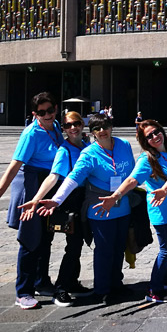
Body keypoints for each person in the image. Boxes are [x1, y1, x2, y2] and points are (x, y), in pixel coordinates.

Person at [30, 114, 137, 305]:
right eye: (97, 128)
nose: (102, 131)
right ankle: (102, 289)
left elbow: (134, 173)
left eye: (105, 126)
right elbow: (73, 177)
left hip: (122, 204)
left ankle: (116, 284)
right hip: (100, 207)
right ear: (92, 132)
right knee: (103, 249)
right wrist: (56, 200)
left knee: (119, 247)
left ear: (111, 126)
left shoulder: (124, 145)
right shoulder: (88, 153)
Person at [0, 92, 65, 310]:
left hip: (48, 183)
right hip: (31, 184)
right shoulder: (31, 134)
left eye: (50, 110)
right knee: (30, 238)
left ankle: (41, 281)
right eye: (42, 112)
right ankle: (23, 291)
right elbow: (14, 167)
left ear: (56, 109)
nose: (47, 115)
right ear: (35, 114)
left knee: (46, 236)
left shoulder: (55, 127)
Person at [93, 120, 167, 303]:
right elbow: (132, 180)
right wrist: (115, 196)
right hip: (161, 211)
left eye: (156, 132)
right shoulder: (147, 159)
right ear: (144, 141)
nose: (155, 137)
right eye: (149, 136)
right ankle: (154, 289)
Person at [19, 111, 92, 306]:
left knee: (77, 244)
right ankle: (61, 288)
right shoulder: (64, 150)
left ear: (82, 124)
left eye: (76, 123)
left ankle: (71, 282)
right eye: (68, 125)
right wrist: (36, 199)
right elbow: (53, 176)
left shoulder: (88, 147)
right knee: (71, 244)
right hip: (67, 200)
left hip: (84, 199)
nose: (73, 128)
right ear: (64, 129)